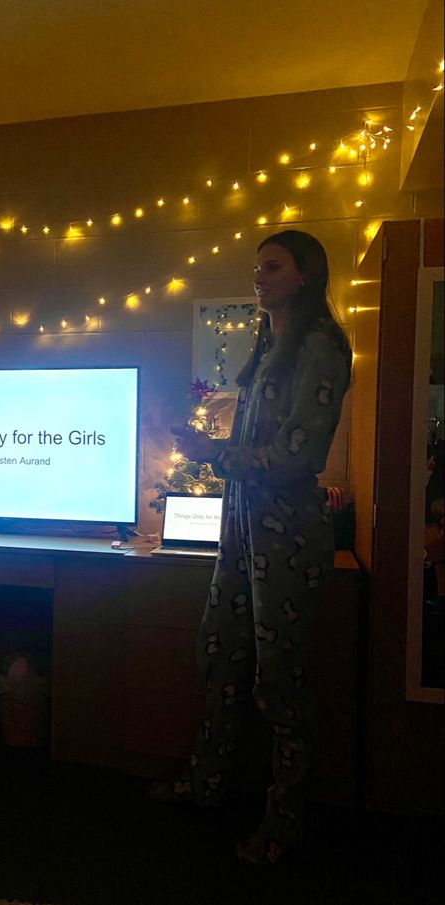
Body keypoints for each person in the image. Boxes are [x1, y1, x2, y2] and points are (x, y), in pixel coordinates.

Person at [150, 230, 352, 865]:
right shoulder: (270, 348)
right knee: (219, 653)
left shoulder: (319, 345)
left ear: (304, 275)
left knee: (281, 682)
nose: (259, 276)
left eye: (273, 266)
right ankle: (207, 784)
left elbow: (299, 457)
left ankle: (284, 822)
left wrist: (215, 454)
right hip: (243, 529)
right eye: (257, 266)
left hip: (286, 536)